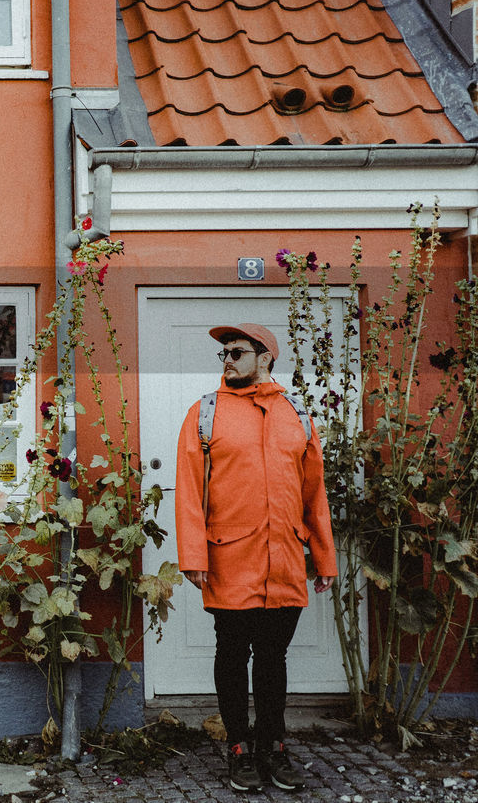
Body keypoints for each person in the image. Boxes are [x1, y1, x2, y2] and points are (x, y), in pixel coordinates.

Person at [174, 322, 337, 793]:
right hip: (231, 559)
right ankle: (239, 747)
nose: (227, 360)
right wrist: (193, 555)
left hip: (284, 559)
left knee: (273, 657)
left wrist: (324, 559)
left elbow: (314, 494)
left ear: (266, 358)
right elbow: (189, 491)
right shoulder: (204, 414)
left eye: (237, 352)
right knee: (232, 653)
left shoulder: (298, 415)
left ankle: (273, 744)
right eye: (223, 354)